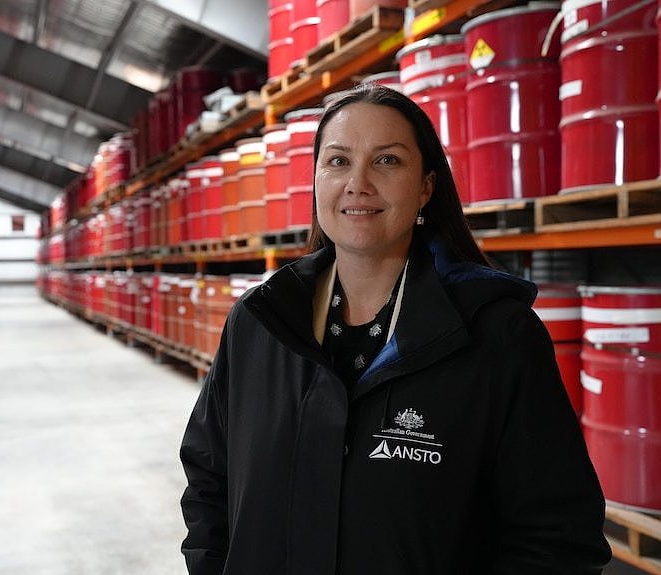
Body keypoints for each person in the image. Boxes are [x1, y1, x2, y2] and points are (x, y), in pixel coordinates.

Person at [179, 83, 611, 574]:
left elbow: (558, 536)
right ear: (316, 180)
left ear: (426, 186)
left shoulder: (496, 335)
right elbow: (209, 478)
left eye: (387, 161)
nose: (357, 183)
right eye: (338, 161)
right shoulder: (260, 324)